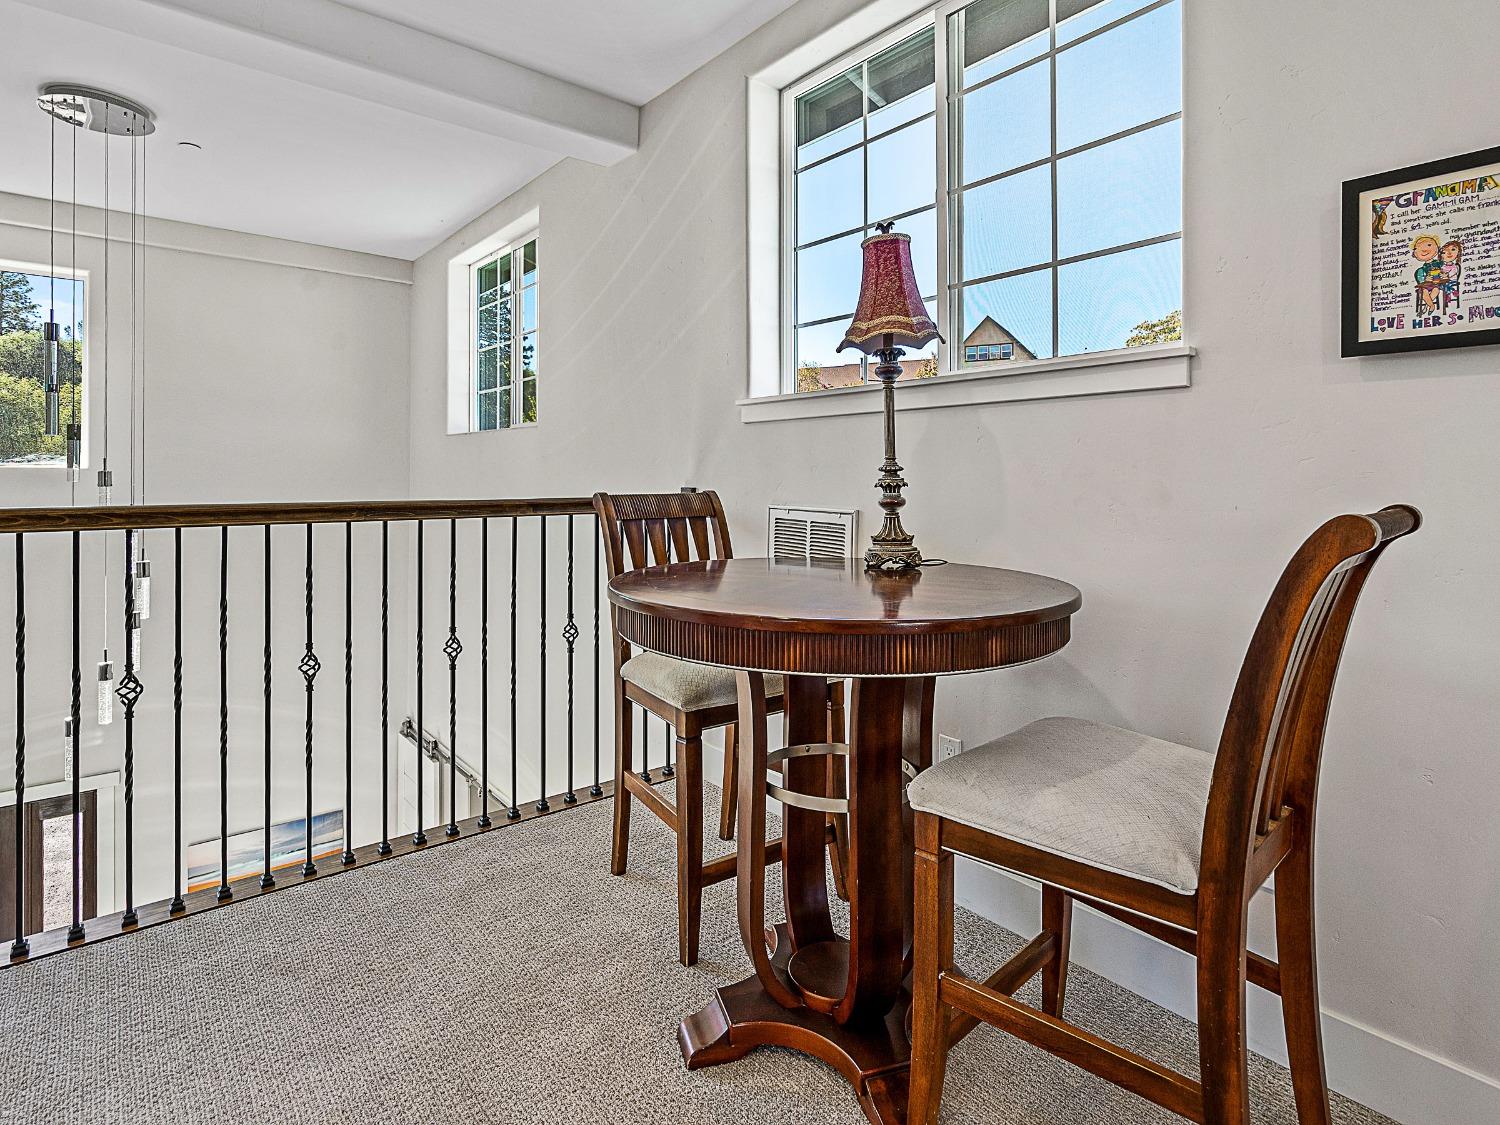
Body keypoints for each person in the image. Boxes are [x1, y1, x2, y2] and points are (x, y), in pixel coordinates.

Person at [1412, 234, 1444, 316]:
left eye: (1429, 245)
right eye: (1419, 248)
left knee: (1436, 290)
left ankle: (1426, 306)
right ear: (1415, 254)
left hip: (1436, 284)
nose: (1424, 250)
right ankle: (1432, 306)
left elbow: (1444, 271)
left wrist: (1443, 275)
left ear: (1437, 249)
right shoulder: (1421, 270)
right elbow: (1420, 281)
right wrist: (1426, 279)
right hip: (1426, 286)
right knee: (1423, 292)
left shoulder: (1439, 263)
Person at [1439, 240, 1462, 310]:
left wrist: (1447, 276)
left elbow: (1454, 274)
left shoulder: (1455, 266)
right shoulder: (1442, 266)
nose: (1449, 253)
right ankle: (1452, 291)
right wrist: (1442, 275)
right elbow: (1441, 274)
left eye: (1453, 250)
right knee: (1441, 285)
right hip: (1444, 282)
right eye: (1445, 252)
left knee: (1446, 284)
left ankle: (1448, 295)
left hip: (1452, 280)